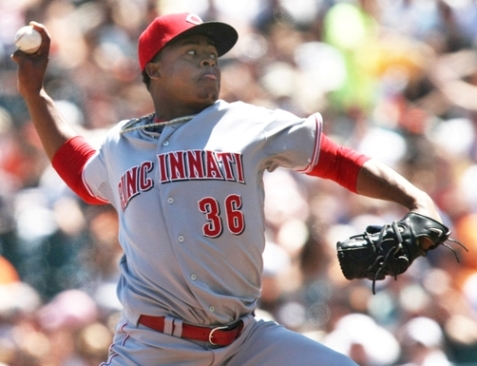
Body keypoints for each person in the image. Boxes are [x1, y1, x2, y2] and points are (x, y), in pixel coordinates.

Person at [12, 12, 443, 366]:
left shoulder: (248, 124)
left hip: (247, 341)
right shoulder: (121, 145)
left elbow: (333, 159)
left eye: (213, 56)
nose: (209, 62)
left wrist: (415, 200)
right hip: (154, 348)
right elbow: (79, 170)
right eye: (193, 52)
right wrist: (36, 94)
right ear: (154, 70)